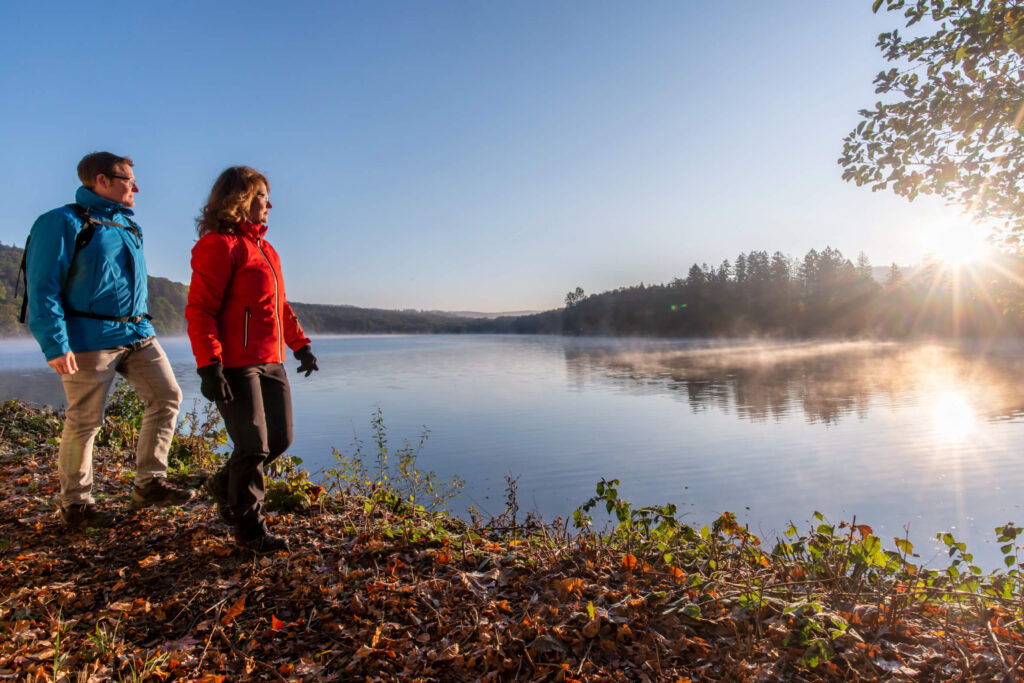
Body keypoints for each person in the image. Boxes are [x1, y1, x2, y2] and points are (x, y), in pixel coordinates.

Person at [25, 151, 190, 530]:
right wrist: (55, 343)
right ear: (101, 180)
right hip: (88, 338)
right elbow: (42, 287)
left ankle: (149, 483)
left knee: (167, 397)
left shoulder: (129, 226)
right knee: (85, 421)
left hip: (137, 332)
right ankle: (76, 505)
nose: (136, 186)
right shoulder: (61, 222)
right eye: (128, 179)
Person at [185, 166, 318, 553]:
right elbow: (200, 311)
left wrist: (300, 345)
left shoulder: (267, 249)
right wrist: (210, 365)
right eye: (262, 195)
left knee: (280, 438)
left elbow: (279, 306)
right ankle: (249, 530)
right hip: (235, 364)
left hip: (271, 360)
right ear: (240, 198)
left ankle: (222, 484)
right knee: (253, 445)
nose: (270, 204)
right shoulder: (218, 245)